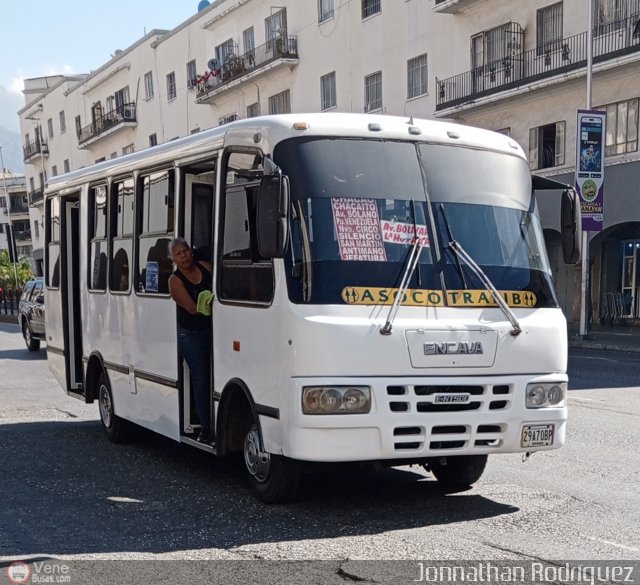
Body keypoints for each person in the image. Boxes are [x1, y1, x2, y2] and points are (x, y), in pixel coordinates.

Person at [168, 237, 213, 443]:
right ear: (173, 259)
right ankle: (205, 427)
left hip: (214, 329)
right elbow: (193, 308)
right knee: (201, 378)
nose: (184, 255)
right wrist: (213, 303)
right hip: (191, 335)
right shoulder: (174, 281)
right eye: (178, 253)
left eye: (185, 251)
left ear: (192, 252)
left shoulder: (206, 267)